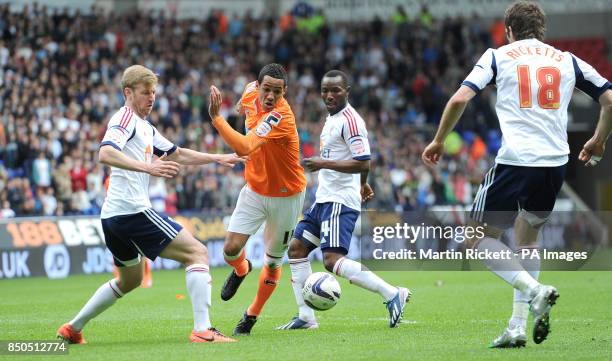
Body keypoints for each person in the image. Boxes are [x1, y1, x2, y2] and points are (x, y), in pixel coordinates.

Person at [421, 1, 612, 348]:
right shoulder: (567, 59)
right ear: (542, 31)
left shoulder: (498, 55)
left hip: (515, 161)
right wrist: (598, 140)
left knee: (475, 238)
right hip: (555, 164)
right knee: (527, 240)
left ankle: (534, 289)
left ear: (509, 30)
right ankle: (517, 326)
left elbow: (459, 98)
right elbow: (610, 99)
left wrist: (437, 140)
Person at [56, 65, 243, 344]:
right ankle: (203, 330)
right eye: (145, 92)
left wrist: (217, 158)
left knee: (128, 280)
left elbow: (177, 154)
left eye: (154, 92)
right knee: (198, 253)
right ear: (128, 92)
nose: (152, 98)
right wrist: (147, 168)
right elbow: (105, 153)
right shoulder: (125, 118)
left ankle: (73, 328)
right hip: (132, 211)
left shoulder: (145, 127)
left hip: (113, 217)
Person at [276, 70, 410, 331]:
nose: (329, 95)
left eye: (335, 90)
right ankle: (306, 317)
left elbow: (364, 160)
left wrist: (324, 163)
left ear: (347, 91)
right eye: (325, 90)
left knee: (331, 260)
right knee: (296, 250)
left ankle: (392, 293)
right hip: (324, 199)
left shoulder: (351, 120)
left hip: (339, 201)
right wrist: (363, 183)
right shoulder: (331, 118)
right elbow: (360, 165)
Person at [208, 63, 307, 335]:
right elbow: (245, 101)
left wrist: (218, 119)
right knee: (230, 248)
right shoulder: (251, 92)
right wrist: (241, 104)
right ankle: (241, 269)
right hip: (254, 189)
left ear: (285, 92)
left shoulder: (281, 117)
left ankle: (251, 316)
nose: (271, 96)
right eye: (267, 89)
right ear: (258, 85)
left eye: (277, 91)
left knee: (274, 262)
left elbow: (244, 146)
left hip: (287, 196)